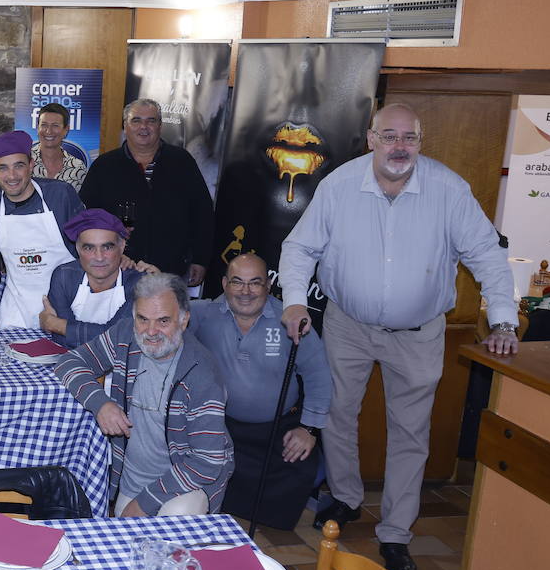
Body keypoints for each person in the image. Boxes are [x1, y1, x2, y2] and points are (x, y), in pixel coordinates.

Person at [279, 102, 518, 570]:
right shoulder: (339, 186)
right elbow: (299, 246)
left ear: (420, 142)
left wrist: (506, 321)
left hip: (419, 333)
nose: (399, 146)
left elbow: (488, 257)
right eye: (389, 136)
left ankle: (395, 533)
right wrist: (293, 302)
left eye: (409, 138)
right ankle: (346, 499)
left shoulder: (449, 190)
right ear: (371, 139)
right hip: (348, 325)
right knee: (338, 414)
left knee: (411, 432)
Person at [55, 273, 233, 517]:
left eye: (163, 321)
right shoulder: (126, 335)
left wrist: (144, 503)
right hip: (130, 482)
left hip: (184, 487)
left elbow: (207, 462)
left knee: (174, 524)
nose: (150, 331)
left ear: (183, 320)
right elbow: (69, 362)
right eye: (142, 318)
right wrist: (100, 404)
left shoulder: (202, 374)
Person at [189, 253, 331, 530]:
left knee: (301, 461)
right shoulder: (202, 314)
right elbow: (161, 312)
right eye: (237, 282)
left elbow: (318, 375)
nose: (245, 291)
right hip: (220, 427)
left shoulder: (291, 320)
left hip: (275, 429)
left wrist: (309, 429)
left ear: (268, 284)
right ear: (223, 283)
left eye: (255, 283)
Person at [79, 98, 214, 287]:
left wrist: (200, 259)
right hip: (118, 269)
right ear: (125, 126)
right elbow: (87, 216)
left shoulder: (182, 161)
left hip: (172, 270)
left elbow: (203, 213)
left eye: (151, 121)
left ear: (160, 125)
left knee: (169, 316)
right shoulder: (105, 165)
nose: (144, 127)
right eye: (136, 120)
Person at [0, 130, 83, 333]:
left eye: (19, 166)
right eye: (3, 168)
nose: (12, 176)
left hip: (68, 308)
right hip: (17, 311)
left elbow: (86, 245)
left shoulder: (60, 195)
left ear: (31, 165)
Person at [40, 208, 150, 349]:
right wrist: (64, 330)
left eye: (107, 247)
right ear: (78, 249)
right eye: (89, 248)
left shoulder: (140, 283)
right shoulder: (64, 276)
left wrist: (57, 325)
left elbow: (124, 338)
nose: (99, 257)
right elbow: (61, 339)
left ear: (122, 246)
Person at [30, 101, 88, 188]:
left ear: (66, 130)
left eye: (55, 125)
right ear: (38, 128)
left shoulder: (78, 167)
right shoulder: (24, 162)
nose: (49, 131)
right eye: (44, 125)